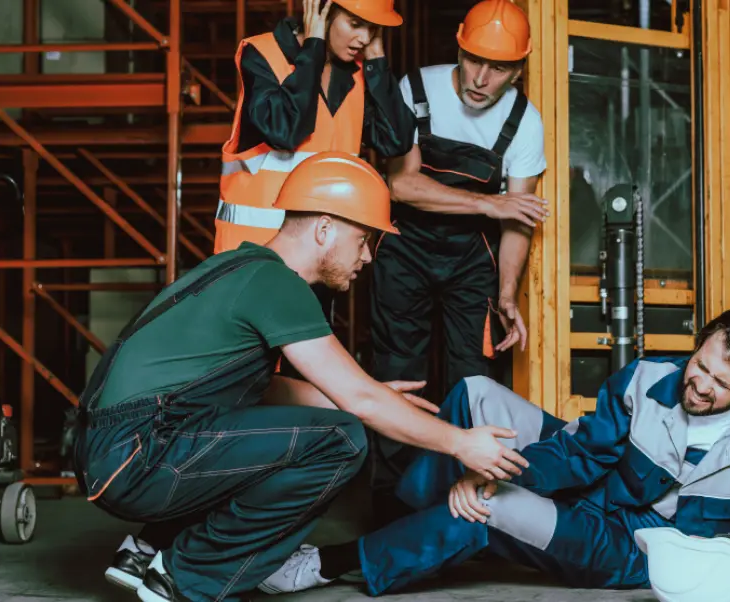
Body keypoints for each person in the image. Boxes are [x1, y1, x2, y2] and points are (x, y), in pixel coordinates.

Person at [73, 152, 530, 602]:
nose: (369, 257)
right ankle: (182, 579)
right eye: (364, 239)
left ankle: (151, 550)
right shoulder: (278, 285)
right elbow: (360, 406)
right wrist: (461, 443)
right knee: (343, 439)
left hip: (115, 449)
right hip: (137, 453)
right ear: (325, 228)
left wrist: (358, 396)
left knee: (298, 419)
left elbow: (259, 389)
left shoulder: (241, 270)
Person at [257, 306, 730, 597]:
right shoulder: (651, 377)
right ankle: (412, 524)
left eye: (720, 385)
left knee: (489, 507)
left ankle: (335, 561)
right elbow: (583, 451)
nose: (698, 385)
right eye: (699, 364)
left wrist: (488, 483)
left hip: (629, 549)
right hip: (592, 489)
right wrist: (490, 466)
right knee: (475, 392)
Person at [367, 0, 548, 525]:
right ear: (460, 48)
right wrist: (489, 203)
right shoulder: (415, 90)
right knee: (401, 374)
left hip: (473, 260)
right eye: (473, 60)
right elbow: (401, 184)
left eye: (497, 68)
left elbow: (518, 221)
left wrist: (508, 295)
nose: (480, 77)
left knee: (473, 380)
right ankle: (390, 507)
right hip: (403, 249)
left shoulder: (524, 121)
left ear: (518, 69)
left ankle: (463, 503)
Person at [214, 0, 414, 254]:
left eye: (372, 28)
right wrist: (314, 47)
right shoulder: (263, 54)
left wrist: (377, 59)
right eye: (355, 24)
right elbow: (285, 131)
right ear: (321, 11)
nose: (364, 37)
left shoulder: (358, 73)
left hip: (321, 258)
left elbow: (396, 141)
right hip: (253, 253)